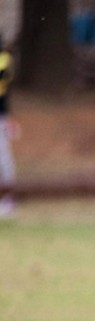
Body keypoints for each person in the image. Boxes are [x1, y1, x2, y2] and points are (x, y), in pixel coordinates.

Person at [0, 35, 15, 217]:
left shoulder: (4, 60)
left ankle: (10, 199)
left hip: (1, 115)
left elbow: (3, 89)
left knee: (3, 157)